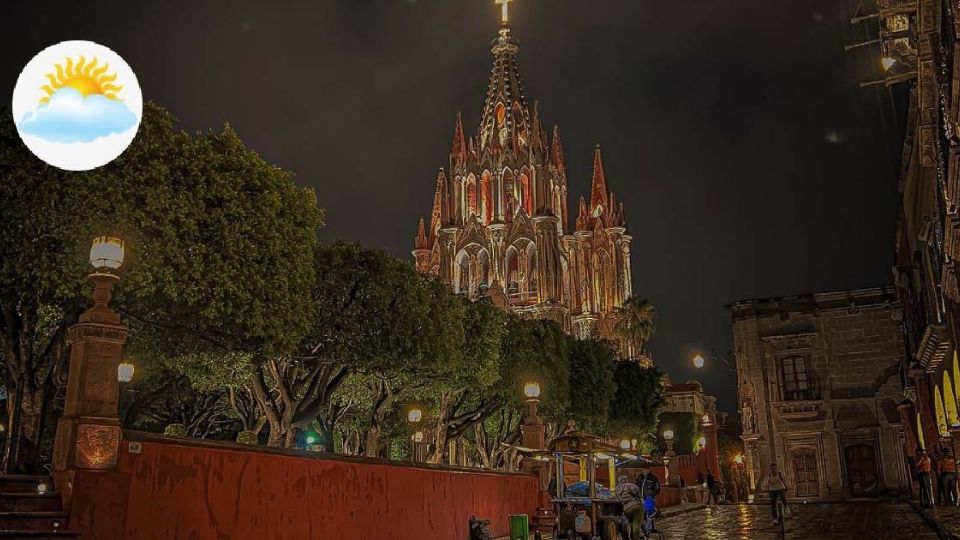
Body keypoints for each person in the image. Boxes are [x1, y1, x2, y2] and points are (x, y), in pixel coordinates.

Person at [615, 474, 645, 540]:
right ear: (626, 480)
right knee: (636, 524)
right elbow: (639, 497)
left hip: (626, 509)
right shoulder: (632, 485)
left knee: (627, 524)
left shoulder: (617, 489)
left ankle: (628, 537)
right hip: (636, 506)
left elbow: (617, 500)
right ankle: (638, 537)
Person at [639, 469, 661, 536]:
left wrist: (651, 494)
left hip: (649, 499)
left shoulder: (653, 478)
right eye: (642, 470)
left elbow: (657, 489)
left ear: (648, 470)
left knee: (649, 514)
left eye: (645, 470)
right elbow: (637, 486)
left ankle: (649, 529)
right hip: (640, 499)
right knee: (642, 514)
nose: (643, 471)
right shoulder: (640, 477)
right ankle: (644, 530)